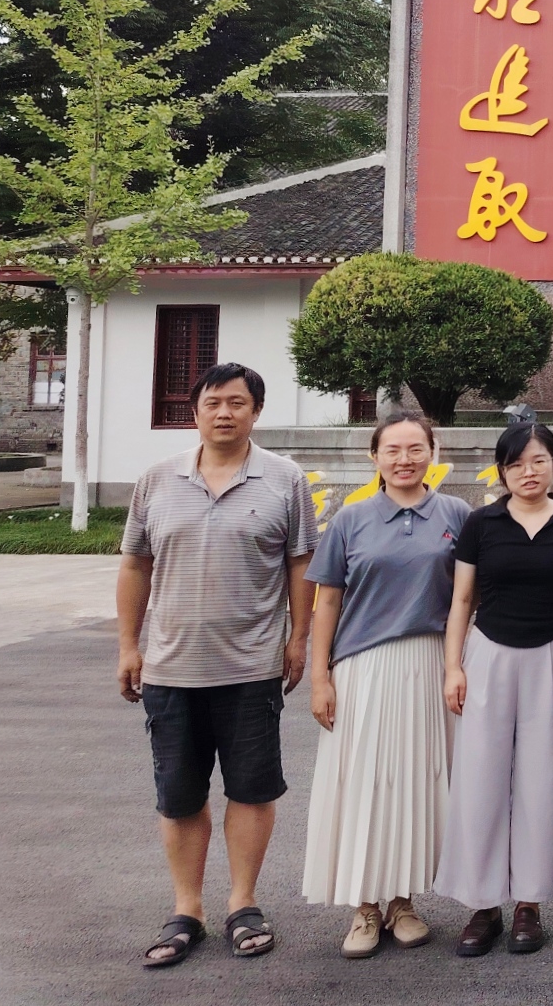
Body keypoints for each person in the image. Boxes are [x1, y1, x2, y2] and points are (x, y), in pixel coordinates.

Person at [116, 362, 317, 968]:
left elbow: (301, 564)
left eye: (237, 403)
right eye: (213, 402)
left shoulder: (284, 479)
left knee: (252, 790)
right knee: (179, 794)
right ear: (196, 411)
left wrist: (299, 638)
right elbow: (135, 564)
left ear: (256, 411)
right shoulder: (157, 479)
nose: (224, 413)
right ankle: (187, 910)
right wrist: (128, 645)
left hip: (252, 667)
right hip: (170, 668)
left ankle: (242, 903)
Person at [301, 412, 470, 958]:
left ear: (432, 453)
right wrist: (320, 677)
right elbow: (328, 600)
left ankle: (403, 902)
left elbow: (471, 594)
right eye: (392, 450)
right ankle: (365, 907)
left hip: (431, 663)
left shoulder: (456, 514)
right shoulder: (351, 519)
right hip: (363, 668)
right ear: (374, 457)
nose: (405, 459)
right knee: (366, 784)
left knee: (417, 784)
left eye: (416, 448)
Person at [434, 421, 553, 958]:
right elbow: (462, 600)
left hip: (549, 653)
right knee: (480, 777)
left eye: (539, 460)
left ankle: (529, 902)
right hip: (487, 655)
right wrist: (453, 667)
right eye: (517, 463)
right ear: (502, 471)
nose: (529, 472)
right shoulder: (482, 523)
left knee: (542, 778)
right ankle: (483, 905)